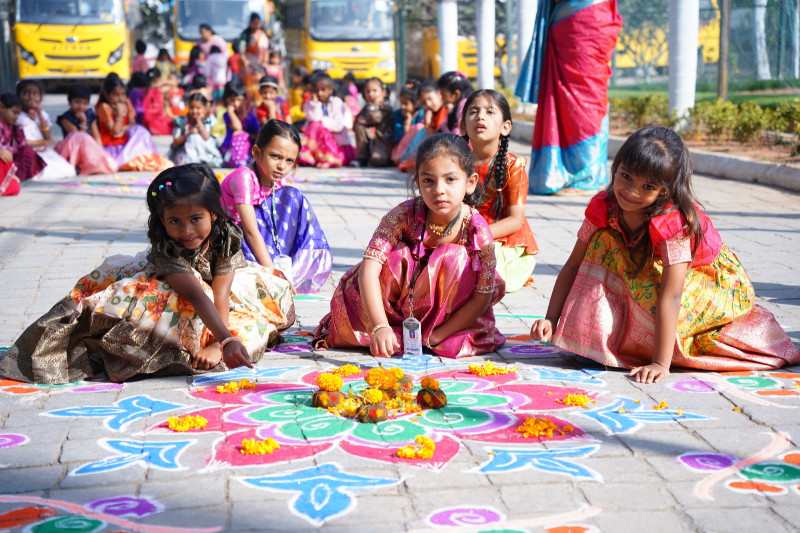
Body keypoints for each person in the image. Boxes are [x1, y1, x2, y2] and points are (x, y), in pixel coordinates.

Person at [530, 126, 800, 383]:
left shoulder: (674, 221)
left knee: (698, 337)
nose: (632, 192)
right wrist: (552, 319)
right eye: (626, 176)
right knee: (602, 242)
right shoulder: (604, 206)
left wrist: (661, 363)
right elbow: (573, 266)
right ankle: (609, 340)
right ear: (615, 169)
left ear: (665, 190)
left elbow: (672, 295)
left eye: (648, 187)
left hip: (704, 281)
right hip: (650, 273)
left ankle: (652, 346)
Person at [0, 164, 296, 384]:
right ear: (162, 221)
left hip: (218, 289)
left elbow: (220, 292)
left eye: (196, 219)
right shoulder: (166, 245)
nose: (187, 230)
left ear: (214, 214)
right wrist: (224, 341)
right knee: (137, 304)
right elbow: (194, 293)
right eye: (175, 221)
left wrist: (220, 343)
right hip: (171, 281)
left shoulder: (226, 236)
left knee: (263, 302)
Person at [313, 133, 505, 358]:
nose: (439, 190)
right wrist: (379, 327)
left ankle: (425, 335)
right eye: (428, 181)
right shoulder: (403, 215)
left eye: (450, 179)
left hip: (448, 320)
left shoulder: (477, 230)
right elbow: (369, 270)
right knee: (397, 256)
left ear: (470, 183)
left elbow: (482, 296)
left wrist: (437, 336)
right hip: (390, 310)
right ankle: (392, 331)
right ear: (418, 184)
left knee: (456, 259)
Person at [515, 0, 622, 195]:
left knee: (585, 94)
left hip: (586, 17)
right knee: (573, 96)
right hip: (576, 16)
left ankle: (585, 175)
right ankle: (587, 172)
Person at [221, 120, 332, 293]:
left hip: (258, 239)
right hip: (234, 241)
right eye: (275, 156)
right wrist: (273, 275)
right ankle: (269, 271)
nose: (282, 166)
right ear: (257, 152)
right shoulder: (244, 178)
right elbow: (250, 231)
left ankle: (297, 267)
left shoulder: (277, 181)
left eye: (289, 161)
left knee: (293, 196)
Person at [461, 89, 538, 292]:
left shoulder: (513, 166)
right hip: (465, 234)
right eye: (474, 111)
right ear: (463, 126)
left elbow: (515, 220)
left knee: (481, 273)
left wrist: (475, 235)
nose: (480, 116)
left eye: (489, 111)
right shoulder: (455, 163)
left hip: (503, 240)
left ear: (505, 127)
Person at [95, 74, 173, 171]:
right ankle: (126, 161)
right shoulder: (104, 107)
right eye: (116, 95)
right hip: (111, 147)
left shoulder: (126, 103)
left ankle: (143, 157)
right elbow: (115, 131)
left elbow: (132, 123)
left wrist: (124, 128)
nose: (120, 98)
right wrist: (119, 115)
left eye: (123, 94)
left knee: (141, 130)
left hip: (124, 142)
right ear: (107, 95)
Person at [15, 80, 77, 181]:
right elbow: (21, 142)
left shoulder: (41, 114)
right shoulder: (17, 116)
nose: (31, 97)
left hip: (43, 152)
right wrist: (44, 142)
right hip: (27, 152)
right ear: (18, 96)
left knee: (68, 170)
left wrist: (40, 117)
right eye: (26, 93)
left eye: (35, 94)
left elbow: (48, 136)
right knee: (41, 173)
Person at [55, 84, 118, 175]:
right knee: (79, 136)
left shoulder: (89, 115)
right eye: (77, 102)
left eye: (84, 103)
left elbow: (96, 135)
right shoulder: (65, 118)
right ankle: (76, 166)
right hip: (72, 151)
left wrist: (100, 152)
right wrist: (83, 122)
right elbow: (77, 139)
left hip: (87, 150)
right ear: (69, 101)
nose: (81, 106)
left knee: (111, 165)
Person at [298, 71, 354, 168]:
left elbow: (338, 126)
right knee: (315, 124)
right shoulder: (311, 103)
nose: (319, 93)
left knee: (317, 124)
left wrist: (322, 121)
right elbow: (312, 117)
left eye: (323, 90)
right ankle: (311, 156)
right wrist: (315, 104)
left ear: (330, 90)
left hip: (336, 141)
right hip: (318, 141)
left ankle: (326, 158)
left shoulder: (336, 102)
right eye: (316, 90)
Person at [0, 93, 39, 196]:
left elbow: (21, 145)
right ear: (1, 107)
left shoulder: (13, 126)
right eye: (14, 112)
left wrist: (18, 130)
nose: (16, 117)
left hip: (9, 162)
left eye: (18, 114)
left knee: (27, 151)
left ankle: (10, 177)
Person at [169, 93, 222, 167]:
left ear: (205, 108)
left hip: (204, 151)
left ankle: (203, 161)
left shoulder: (206, 120)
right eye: (191, 108)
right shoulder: (181, 120)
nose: (194, 111)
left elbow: (206, 137)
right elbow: (176, 142)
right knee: (193, 137)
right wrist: (189, 133)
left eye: (198, 108)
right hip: (184, 153)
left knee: (197, 138)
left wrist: (198, 120)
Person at [352, 77, 393, 167]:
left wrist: (373, 106)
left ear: (383, 92)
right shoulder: (366, 107)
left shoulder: (386, 107)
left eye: (375, 91)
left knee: (377, 160)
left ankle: (382, 157)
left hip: (382, 140)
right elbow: (358, 119)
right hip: (369, 139)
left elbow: (374, 117)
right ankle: (362, 157)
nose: (371, 94)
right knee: (359, 125)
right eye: (368, 91)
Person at [220, 78, 260, 168]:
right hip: (230, 148)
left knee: (240, 135)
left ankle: (241, 161)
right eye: (232, 100)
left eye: (239, 99)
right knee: (237, 133)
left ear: (245, 100)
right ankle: (238, 162)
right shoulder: (227, 115)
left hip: (247, 149)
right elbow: (237, 127)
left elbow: (256, 135)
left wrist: (246, 135)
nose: (235, 103)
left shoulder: (251, 116)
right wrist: (230, 112)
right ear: (227, 100)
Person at [391, 80, 425, 168]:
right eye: (401, 103)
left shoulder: (421, 114)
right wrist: (407, 122)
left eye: (406, 104)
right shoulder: (398, 114)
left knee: (420, 127)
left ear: (416, 103)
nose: (402, 106)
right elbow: (397, 138)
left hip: (416, 150)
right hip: (400, 151)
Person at [437, 71, 473, 136]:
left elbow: (459, 134)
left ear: (456, 94)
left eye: (444, 95)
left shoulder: (463, 104)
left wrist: (443, 127)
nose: (442, 99)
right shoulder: (462, 103)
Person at [141, 68, 174, 136]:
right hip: (155, 118)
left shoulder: (145, 90)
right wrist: (163, 82)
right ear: (157, 79)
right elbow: (173, 84)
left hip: (146, 117)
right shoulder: (158, 90)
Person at [238, 13, 269, 77]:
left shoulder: (263, 34)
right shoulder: (246, 35)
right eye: (254, 23)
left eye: (258, 23)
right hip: (248, 65)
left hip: (261, 65)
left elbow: (266, 50)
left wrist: (265, 62)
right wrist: (245, 61)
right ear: (250, 23)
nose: (256, 25)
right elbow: (241, 51)